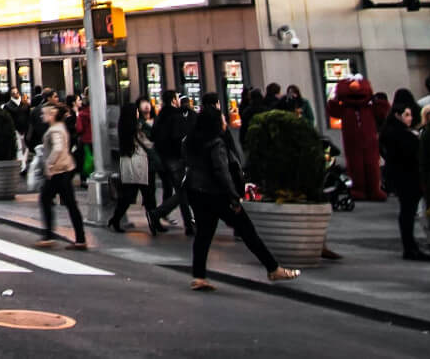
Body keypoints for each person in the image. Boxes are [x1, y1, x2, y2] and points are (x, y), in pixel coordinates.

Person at [185, 93, 297, 291]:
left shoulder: (192, 142)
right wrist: (234, 197)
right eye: (222, 119)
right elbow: (221, 171)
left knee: (203, 235)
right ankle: (273, 268)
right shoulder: (216, 143)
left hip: (197, 192)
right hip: (217, 194)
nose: (225, 122)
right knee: (247, 231)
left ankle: (199, 276)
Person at [380, 100, 430, 261]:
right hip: (408, 177)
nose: (410, 118)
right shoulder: (400, 134)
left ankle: (410, 246)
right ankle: (410, 247)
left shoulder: (391, 133)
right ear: (397, 116)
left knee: (407, 212)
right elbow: (411, 154)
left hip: (401, 176)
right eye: (406, 115)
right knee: (408, 212)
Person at [109, 97, 165, 234]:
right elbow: (149, 143)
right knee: (139, 196)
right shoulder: (135, 128)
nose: (138, 113)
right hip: (138, 165)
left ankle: (153, 221)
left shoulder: (126, 128)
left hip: (134, 166)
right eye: (136, 111)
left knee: (138, 196)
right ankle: (117, 219)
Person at [35, 102, 88, 248]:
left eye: (44, 113)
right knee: (70, 204)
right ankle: (79, 238)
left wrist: (49, 164)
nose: (42, 116)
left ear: (52, 115)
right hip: (65, 169)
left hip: (58, 171)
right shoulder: (60, 127)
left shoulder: (55, 130)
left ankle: (48, 236)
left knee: (46, 199)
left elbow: (57, 149)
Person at [151, 90, 194, 234]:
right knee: (183, 192)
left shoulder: (160, 116)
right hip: (176, 158)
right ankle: (157, 213)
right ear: (173, 100)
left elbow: (154, 136)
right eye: (176, 98)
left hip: (164, 158)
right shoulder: (176, 116)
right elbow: (179, 138)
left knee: (182, 191)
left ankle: (188, 224)